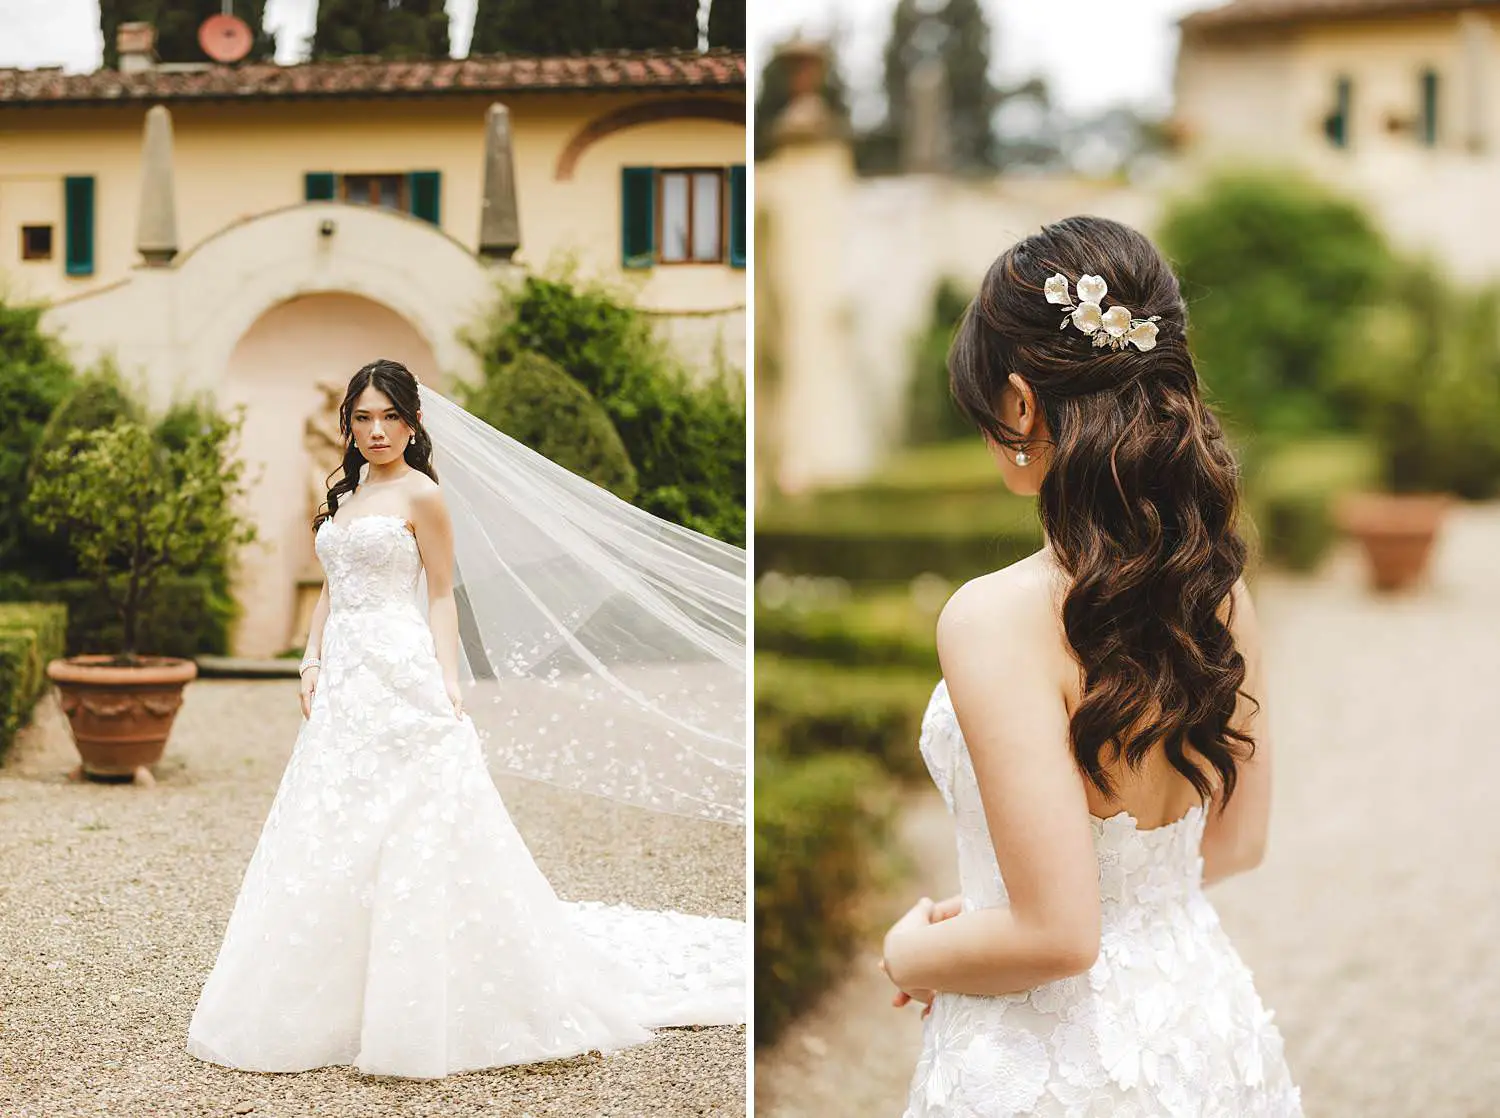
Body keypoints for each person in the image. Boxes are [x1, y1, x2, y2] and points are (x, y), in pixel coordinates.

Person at [187, 359, 745, 1078]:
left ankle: (421, 993)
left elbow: (442, 594)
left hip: (399, 668)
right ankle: (329, 992)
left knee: (413, 820)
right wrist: (310, 660)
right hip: (344, 680)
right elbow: (334, 586)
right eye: (363, 417)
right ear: (348, 425)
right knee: (332, 820)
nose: (376, 430)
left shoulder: (424, 497)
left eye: (390, 416)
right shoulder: (344, 490)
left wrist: (447, 680)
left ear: (413, 422)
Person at [879, 217, 1302, 1116]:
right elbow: (1235, 845)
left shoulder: (993, 618)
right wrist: (996, 914)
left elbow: (1059, 935)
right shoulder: (1221, 596)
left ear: (1021, 404)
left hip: (1058, 1063)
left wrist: (909, 952)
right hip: (1203, 1027)